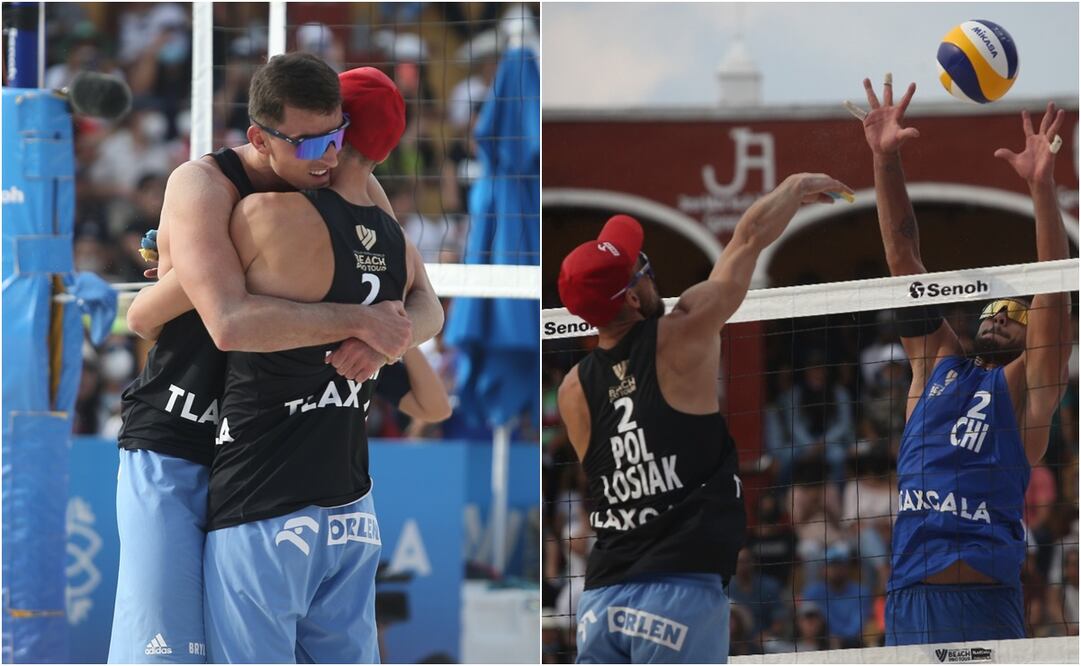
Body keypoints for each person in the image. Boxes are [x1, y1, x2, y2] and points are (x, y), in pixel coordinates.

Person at [110, 53, 439, 663]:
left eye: (337, 136)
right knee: (164, 653)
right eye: (311, 142)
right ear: (260, 138)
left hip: (256, 455)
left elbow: (425, 306)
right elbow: (193, 321)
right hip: (178, 437)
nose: (328, 156)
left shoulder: (337, 183)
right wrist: (363, 320)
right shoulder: (207, 185)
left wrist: (382, 338)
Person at [556, 171, 853, 663]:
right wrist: (797, 186)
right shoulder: (684, 330)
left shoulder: (572, 391)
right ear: (631, 297)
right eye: (643, 268)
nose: (651, 273)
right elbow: (748, 238)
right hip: (678, 593)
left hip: (600, 599)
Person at [204, 66, 439, 662]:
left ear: (338, 131)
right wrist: (383, 336)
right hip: (351, 511)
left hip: (263, 496)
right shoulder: (395, 243)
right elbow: (430, 318)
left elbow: (210, 319)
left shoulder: (267, 217)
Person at [852, 75, 1073, 644]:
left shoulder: (1027, 388)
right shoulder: (935, 364)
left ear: (1027, 337)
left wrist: (1043, 190)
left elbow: (1052, 294)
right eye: (992, 312)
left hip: (986, 604)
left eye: (1013, 314)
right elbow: (904, 256)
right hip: (911, 600)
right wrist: (885, 160)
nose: (1000, 316)